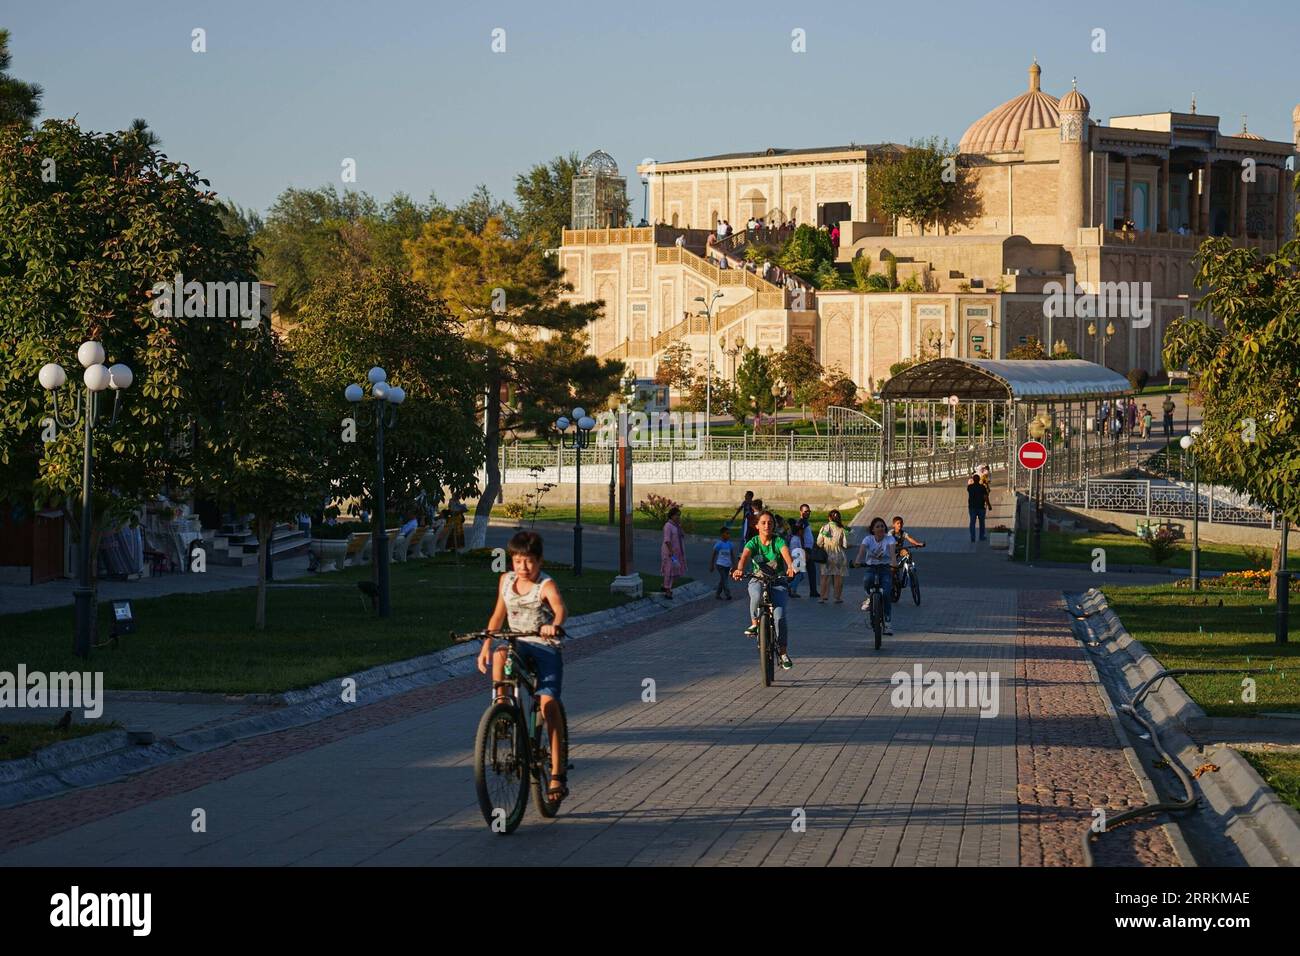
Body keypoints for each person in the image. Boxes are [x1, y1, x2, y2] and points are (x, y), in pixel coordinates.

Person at [477, 531, 568, 800]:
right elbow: (497, 615)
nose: (523, 568)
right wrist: (485, 645)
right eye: (517, 561)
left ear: (539, 561)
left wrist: (555, 625)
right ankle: (502, 708)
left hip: (544, 647)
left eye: (528, 561)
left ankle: (556, 774)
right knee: (499, 656)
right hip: (516, 642)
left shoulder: (546, 585)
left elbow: (561, 609)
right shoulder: (506, 581)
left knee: (548, 705)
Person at [732, 510, 798, 669]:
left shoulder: (778, 541)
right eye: (763, 523)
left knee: (780, 617)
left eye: (770, 523)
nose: (767, 525)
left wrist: (790, 566)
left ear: (774, 525)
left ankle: (783, 653)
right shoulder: (753, 542)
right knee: (756, 595)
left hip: (778, 581)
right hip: (758, 579)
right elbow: (744, 557)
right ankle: (755, 624)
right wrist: (739, 569)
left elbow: (786, 554)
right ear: (757, 526)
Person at [853, 516, 897, 635]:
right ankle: (869, 597)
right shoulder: (868, 539)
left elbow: (893, 553)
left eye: (882, 526)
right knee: (867, 580)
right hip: (871, 568)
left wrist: (894, 563)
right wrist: (857, 562)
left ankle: (887, 623)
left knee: (887, 593)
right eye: (878, 526)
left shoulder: (890, 539)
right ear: (872, 529)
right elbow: (861, 553)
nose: (881, 528)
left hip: (885, 569)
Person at [817, 509, 850, 603]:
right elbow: (845, 544)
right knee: (838, 577)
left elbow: (819, 542)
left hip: (826, 555)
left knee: (824, 576)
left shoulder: (824, 528)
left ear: (829, 518)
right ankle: (837, 597)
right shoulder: (841, 529)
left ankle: (822, 597)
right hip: (838, 555)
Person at [791, 503, 818, 599]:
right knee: (802, 572)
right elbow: (801, 536)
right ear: (801, 512)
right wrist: (803, 550)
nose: (808, 513)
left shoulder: (805, 522)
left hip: (806, 549)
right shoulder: (802, 522)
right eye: (805, 511)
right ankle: (792, 589)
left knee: (805, 571)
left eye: (809, 511)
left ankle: (812, 591)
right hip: (804, 549)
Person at [660, 506, 686, 598]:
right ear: (671, 516)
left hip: (677, 551)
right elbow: (667, 540)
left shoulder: (677, 526)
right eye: (676, 515)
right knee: (669, 571)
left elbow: (682, 535)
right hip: (669, 552)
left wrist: (680, 526)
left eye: (679, 515)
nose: (678, 517)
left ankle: (666, 586)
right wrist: (671, 551)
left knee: (675, 571)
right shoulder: (668, 526)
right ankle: (667, 589)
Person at [710, 526, 734, 600]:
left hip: (727, 565)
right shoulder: (718, 544)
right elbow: (713, 555)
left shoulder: (730, 544)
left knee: (722, 580)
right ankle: (728, 594)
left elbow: (732, 555)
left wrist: (735, 565)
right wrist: (711, 565)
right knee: (725, 580)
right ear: (722, 534)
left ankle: (717, 594)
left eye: (729, 533)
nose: (728, 535)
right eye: (727, 533)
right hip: (720, 565)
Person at [966, 472, 989, 542]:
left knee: (972, 522)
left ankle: (973, 537)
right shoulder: (982, 487)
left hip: (972, 507)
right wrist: (989, 505)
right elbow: (985, 497)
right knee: (982, 522)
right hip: (981, 507)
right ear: (979, 480)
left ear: (973, 479)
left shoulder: (970, 487)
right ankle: (981, 536)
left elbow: (968, 488)